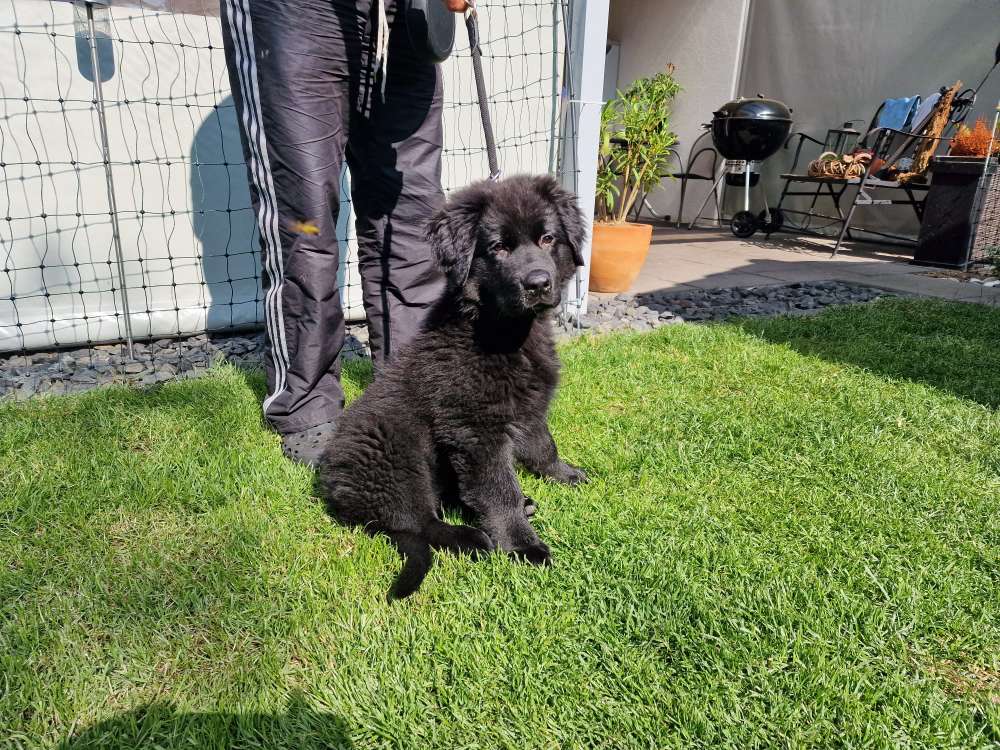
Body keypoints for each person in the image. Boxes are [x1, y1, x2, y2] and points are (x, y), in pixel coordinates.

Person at [219, 0, 468, 466]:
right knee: (303, 215)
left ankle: (414, 391)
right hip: (297, 11)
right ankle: (307, 406)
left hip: (407, 13)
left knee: (413, 214)